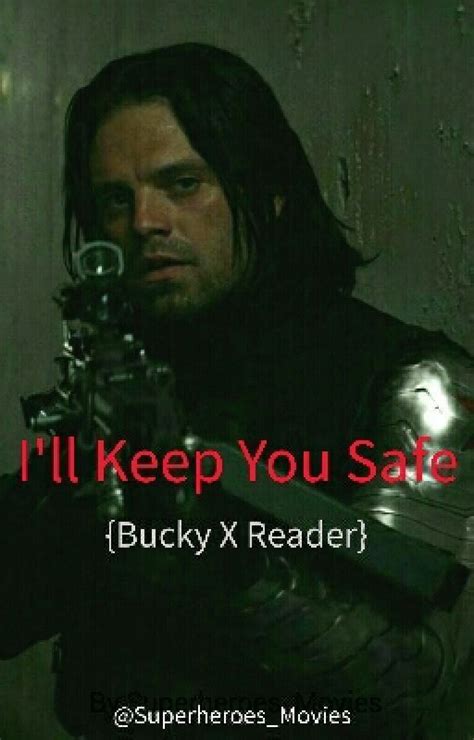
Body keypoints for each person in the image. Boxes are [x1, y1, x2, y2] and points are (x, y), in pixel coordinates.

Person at [1, 43, 473, 739]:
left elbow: (406, 676)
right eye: (115, 199)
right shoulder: (130, 378)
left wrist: (201, 543)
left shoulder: (421, 384)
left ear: (268, 189)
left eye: (183, 184)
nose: (144, 222)